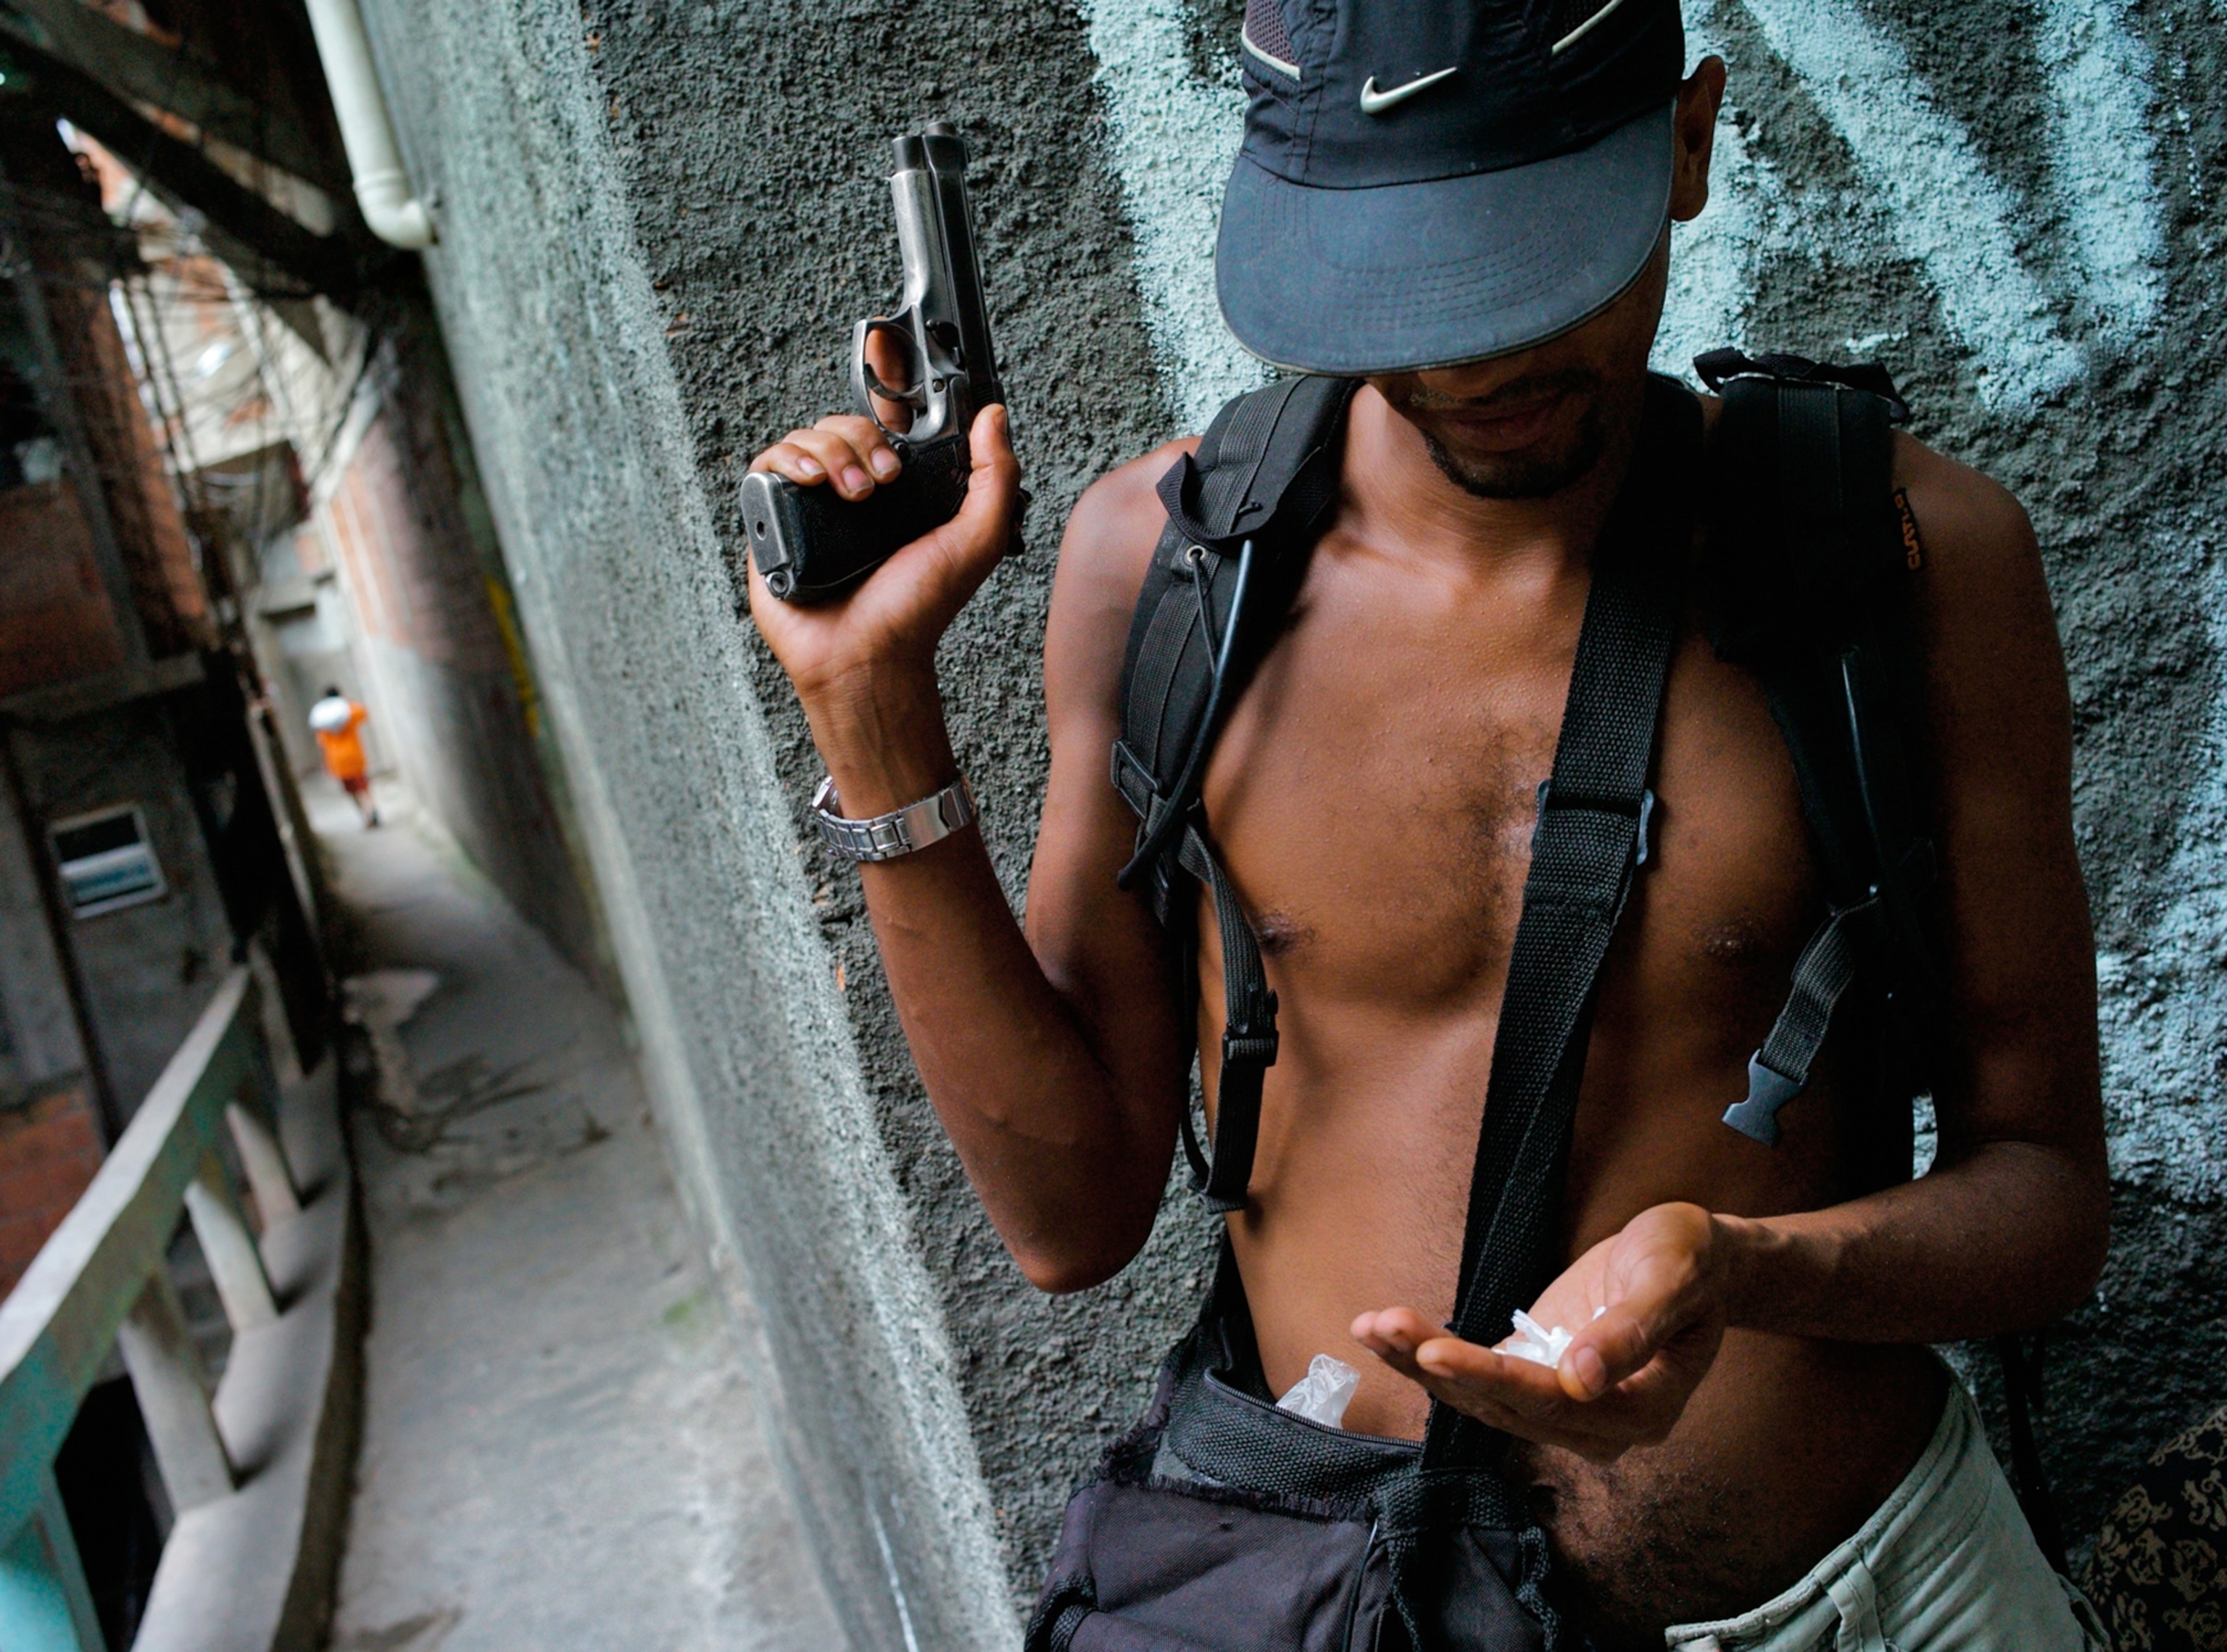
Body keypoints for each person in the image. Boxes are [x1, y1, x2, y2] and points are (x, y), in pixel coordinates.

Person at [745, 0, 2111, 1643]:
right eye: (1412, 287)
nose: (1482, 358)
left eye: (1538, 265)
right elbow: (1067, 1219)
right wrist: (871, 712)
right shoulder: (1165, 571)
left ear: (1684, 143)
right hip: (1355, 1601)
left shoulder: (1899, 555)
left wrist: (1745, 1266)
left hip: (1862, 1597)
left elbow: (2037, 1191)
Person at [309, 684, 378, 827]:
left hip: (337, 761)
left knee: (351, 791)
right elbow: (363, 713)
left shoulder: (322, 718)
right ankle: (371, 809)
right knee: (363, 787)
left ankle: (365, 816)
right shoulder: (348, 711)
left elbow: (320, 742)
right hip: (354, 756)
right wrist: (347, 702)